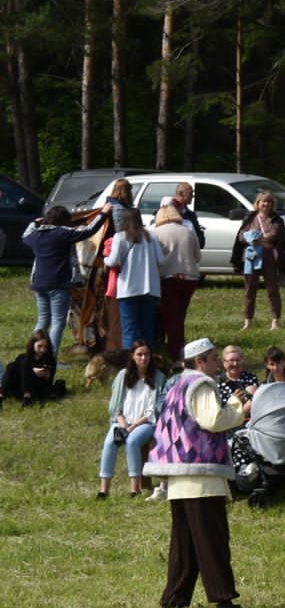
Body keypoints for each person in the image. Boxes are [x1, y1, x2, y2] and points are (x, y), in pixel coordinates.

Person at [146, 338, 248, 608]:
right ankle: (223, 599)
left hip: (181, 479)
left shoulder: (177, 385)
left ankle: (174, 599)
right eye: (214, 358)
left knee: (185, 544)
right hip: (201, 476)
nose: (218, 364)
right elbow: (213, 420)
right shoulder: (201, 385)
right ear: (200, 361)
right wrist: (238, 406)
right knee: (213, 540)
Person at [23, 204, 109, 353]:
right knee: (58, 322)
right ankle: (51, 358)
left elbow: (25, 236)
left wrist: (34, 223)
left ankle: (33, 355)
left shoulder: (36, 235)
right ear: (63, 221)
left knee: (43, 320)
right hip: (58, 284)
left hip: (39, 284)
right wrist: (103, 214)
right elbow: (89, 231)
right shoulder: (62, 234)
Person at [97, 340, 166, 499]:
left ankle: (135, 488)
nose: (143, 358)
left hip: (146, 422)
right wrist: (123, 424)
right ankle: (103, 489)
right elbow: (116, 406)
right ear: (133, 356)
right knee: (109, 443)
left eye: (146, 354)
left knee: (132, 441)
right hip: (122, 421)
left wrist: (133, 426)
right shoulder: (123, 376)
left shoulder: (159, 377)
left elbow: (154, 409)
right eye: (139, 355)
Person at [106, 207, 166, 351]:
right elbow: (161, 260)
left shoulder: (120, 237)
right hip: (150, 288)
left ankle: (130, 361)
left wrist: (105, 259)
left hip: (128, 289)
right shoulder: (151, 236)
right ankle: (149, 360)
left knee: (130, 329)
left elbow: (113, 261)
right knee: (147, 328)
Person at [231, 190, 285, 331]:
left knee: (272, 289)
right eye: (263, 201)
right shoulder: (250, 218)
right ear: (258, 203)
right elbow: (241, 236)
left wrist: (256, 237)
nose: (266, 204)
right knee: (250, 290)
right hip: (251, 257)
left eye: (268, 202)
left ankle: (275, 321)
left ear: (272, 204)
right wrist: (254, 237)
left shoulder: (276, 219)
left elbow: (273, 235)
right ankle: (248, 322)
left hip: (268, 257)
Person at [151, 201, 200, 361]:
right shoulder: (188, 231)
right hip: (190, 278)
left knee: (171, 318)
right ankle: (178, 348)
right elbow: (197, 257)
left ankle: (175, 354)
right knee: (179, 315)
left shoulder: (156, 233)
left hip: (169, 278)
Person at [1, 330, 67, 407]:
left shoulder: (50, 360)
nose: (42, 350)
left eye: (45, 347)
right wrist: (31, 370)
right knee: (12, 366)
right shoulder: (24, 357)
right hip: (21, 388)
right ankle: (2, 394)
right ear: (33, 344)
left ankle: (28, 397)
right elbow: (13, 371)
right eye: (39, 346)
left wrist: (47, 375)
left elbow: (49, 382)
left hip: (37, 389)